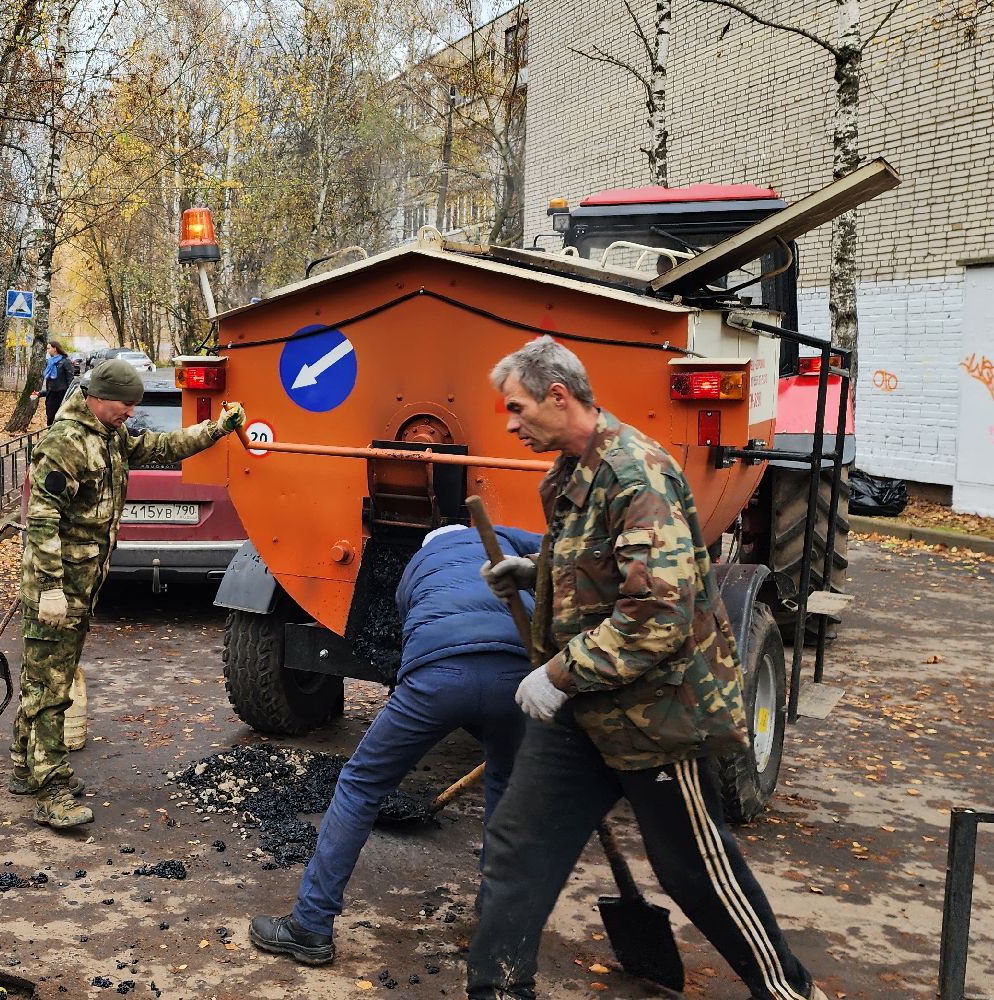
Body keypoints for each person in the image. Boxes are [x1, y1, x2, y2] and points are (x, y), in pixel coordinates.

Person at [466, 337, 826, 1000]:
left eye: (516, 408)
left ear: (558, 396)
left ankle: (787, 991)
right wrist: (537, 572)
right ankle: (498, 989)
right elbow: (604, 562)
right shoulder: (570, 474)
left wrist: (557, 674)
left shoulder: (638, 474)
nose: (510, 423)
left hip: (654, 715)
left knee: (694, 870)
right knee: (518, 846)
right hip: (582, 711)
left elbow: (658, 614)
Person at [249, 521, 542, 967]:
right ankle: (496, 920)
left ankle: (310, 926)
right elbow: (567, 552)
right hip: (516, 673)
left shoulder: (416, 567)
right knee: (507, 787)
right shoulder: (503, 538)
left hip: (436, 676)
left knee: (361, 784)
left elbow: (410, 633)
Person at [15, 358, 243, 829]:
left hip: (82, 584)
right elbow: (41, 520)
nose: (131, 413)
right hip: (56, 588)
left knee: (46, 675)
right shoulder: (64, 444)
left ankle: (25, 765)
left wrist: (215, 430)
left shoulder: (109, 435)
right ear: (98, 397)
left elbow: (160, 446)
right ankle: (51, 790)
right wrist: (51, 589)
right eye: (125, 404)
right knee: (51, 686)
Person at [37, 341, 77, 428]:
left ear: (55, 348)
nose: (47, 350)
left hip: (62, 395)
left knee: (61, 420)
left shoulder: (65, 362)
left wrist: (69, 397)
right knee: (50, 419)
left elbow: (70, 381)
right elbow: (49, 383)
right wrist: (40, 393)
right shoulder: (50, 362)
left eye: (49, 348)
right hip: (51, 396)